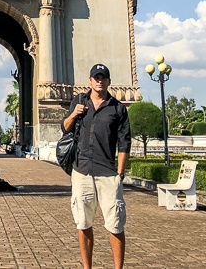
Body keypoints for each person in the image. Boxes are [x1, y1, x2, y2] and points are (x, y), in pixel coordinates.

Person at [62, 63, 131, 269]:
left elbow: (124, 142)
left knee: (115, 224)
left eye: (103, 78)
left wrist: (120, 173)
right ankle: (87, 267)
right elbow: (65, 128)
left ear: (109, 82)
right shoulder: (79, 102)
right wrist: (74, 113)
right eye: (96, 77)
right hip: (82, 170)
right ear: (90, 81)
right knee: (83, 222)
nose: (99, 81)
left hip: (108, 173)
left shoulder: (118, 108)